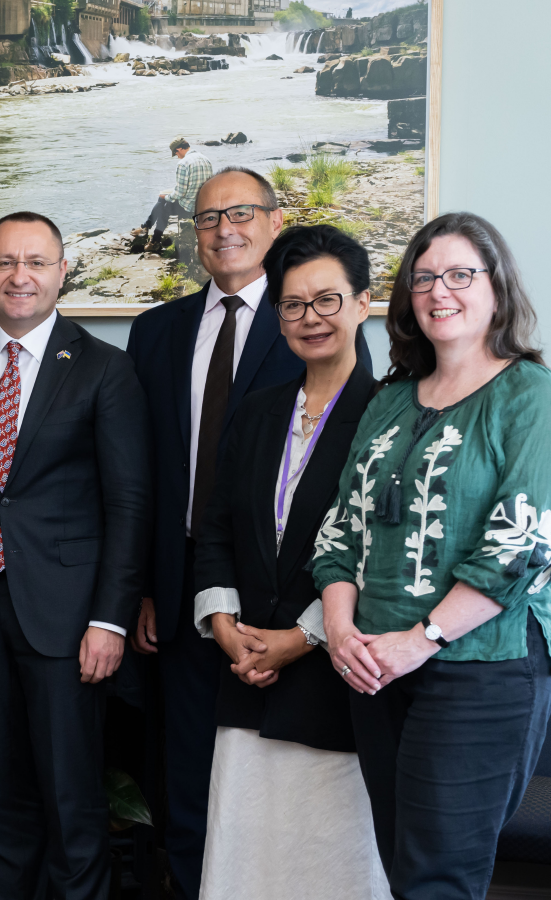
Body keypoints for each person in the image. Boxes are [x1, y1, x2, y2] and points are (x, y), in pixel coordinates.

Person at [124, 166, 371, 900]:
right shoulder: (156, 333)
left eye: (240, 213)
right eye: (206, 217)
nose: (224, 229)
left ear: (273, 221)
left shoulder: (352, 369)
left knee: (312, 815)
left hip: (315, 615)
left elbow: (363, 526)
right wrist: (159, 591)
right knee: (199, 792)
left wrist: (305, 631)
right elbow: (154, 479)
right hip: (193, 599)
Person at [0, 212, 152, 899]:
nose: (20, 276)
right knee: (2, 806)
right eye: (5, 262)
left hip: (69, 625)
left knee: (73, 808)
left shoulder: (104, 369)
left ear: (62, 272)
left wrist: (109, 620)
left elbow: (129, 506)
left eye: (36, 262)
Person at [314, 212, 551, 899]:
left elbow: (521, 543)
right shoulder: (388, 400)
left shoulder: (530, 394)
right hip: (373, 671)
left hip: (478, 671)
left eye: (458, 274)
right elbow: (340, 531)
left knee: (438, 881)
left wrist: (423, 640)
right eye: (423, 278)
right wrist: (338, 629)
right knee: (402, 871)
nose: (439, 291)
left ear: (497, 290)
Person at [190, 225, 387, 899]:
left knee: (333, 866)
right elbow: (215, 526)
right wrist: (223, 624)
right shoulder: (257, 412)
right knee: (248, 863)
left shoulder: (392, 414)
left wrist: (300, 638)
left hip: (337, 685)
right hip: (245, 677)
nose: (311, 318)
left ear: (364, 303)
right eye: (293, 304)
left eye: (327, 299)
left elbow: (378, 552)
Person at [136, 137, 212, 253]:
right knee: (163, 199)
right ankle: (147, 229)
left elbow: (179, 193)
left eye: (176, 153)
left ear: (179, 149)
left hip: (189, 208)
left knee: (163, 205)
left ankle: (153, 239)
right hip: (202, 205)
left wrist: (166, 197)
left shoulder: (183, 163)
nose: (177, 156)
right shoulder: (206, 160)